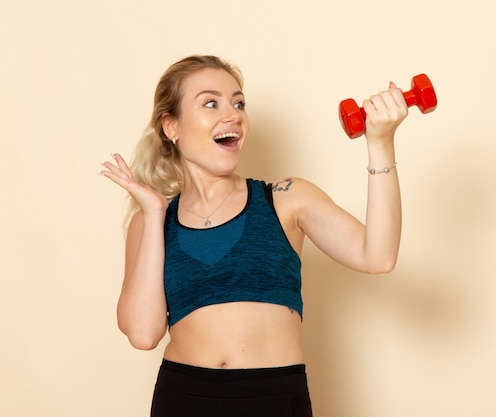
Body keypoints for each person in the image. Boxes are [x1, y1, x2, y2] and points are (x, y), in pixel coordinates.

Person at [100, 54, 407, 417]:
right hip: (183, 397)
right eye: (210, 103)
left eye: (239, 103)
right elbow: (142, 334)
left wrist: (380, 142)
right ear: (171, 126)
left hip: (275, 399)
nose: (232, 114)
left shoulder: (286, 198)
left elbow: (378, 256)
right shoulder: (151, 222)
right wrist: (153, 215)